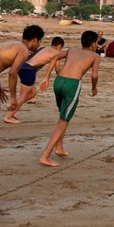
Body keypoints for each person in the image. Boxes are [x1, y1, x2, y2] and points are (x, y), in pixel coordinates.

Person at [39, 30, 100, 167]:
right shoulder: (95, 56)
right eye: (96, 42)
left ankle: (59, 148)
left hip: (59, 81)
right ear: (93, 44)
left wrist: (47, 77)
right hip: (72, 85)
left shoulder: (72, 50)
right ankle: (45, 156)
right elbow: (94, 75)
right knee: (63, 120)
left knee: (62, 115)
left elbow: (54, 58)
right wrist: (94, 88)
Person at [3, 36, 65, 124]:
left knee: (32, 93)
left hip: (22, 66)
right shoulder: (56, 53)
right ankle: (8, 116)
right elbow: (58, 70)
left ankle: (12, 109)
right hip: (29, 70)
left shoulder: (44, 48)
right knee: (24, 95)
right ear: (59, 46)